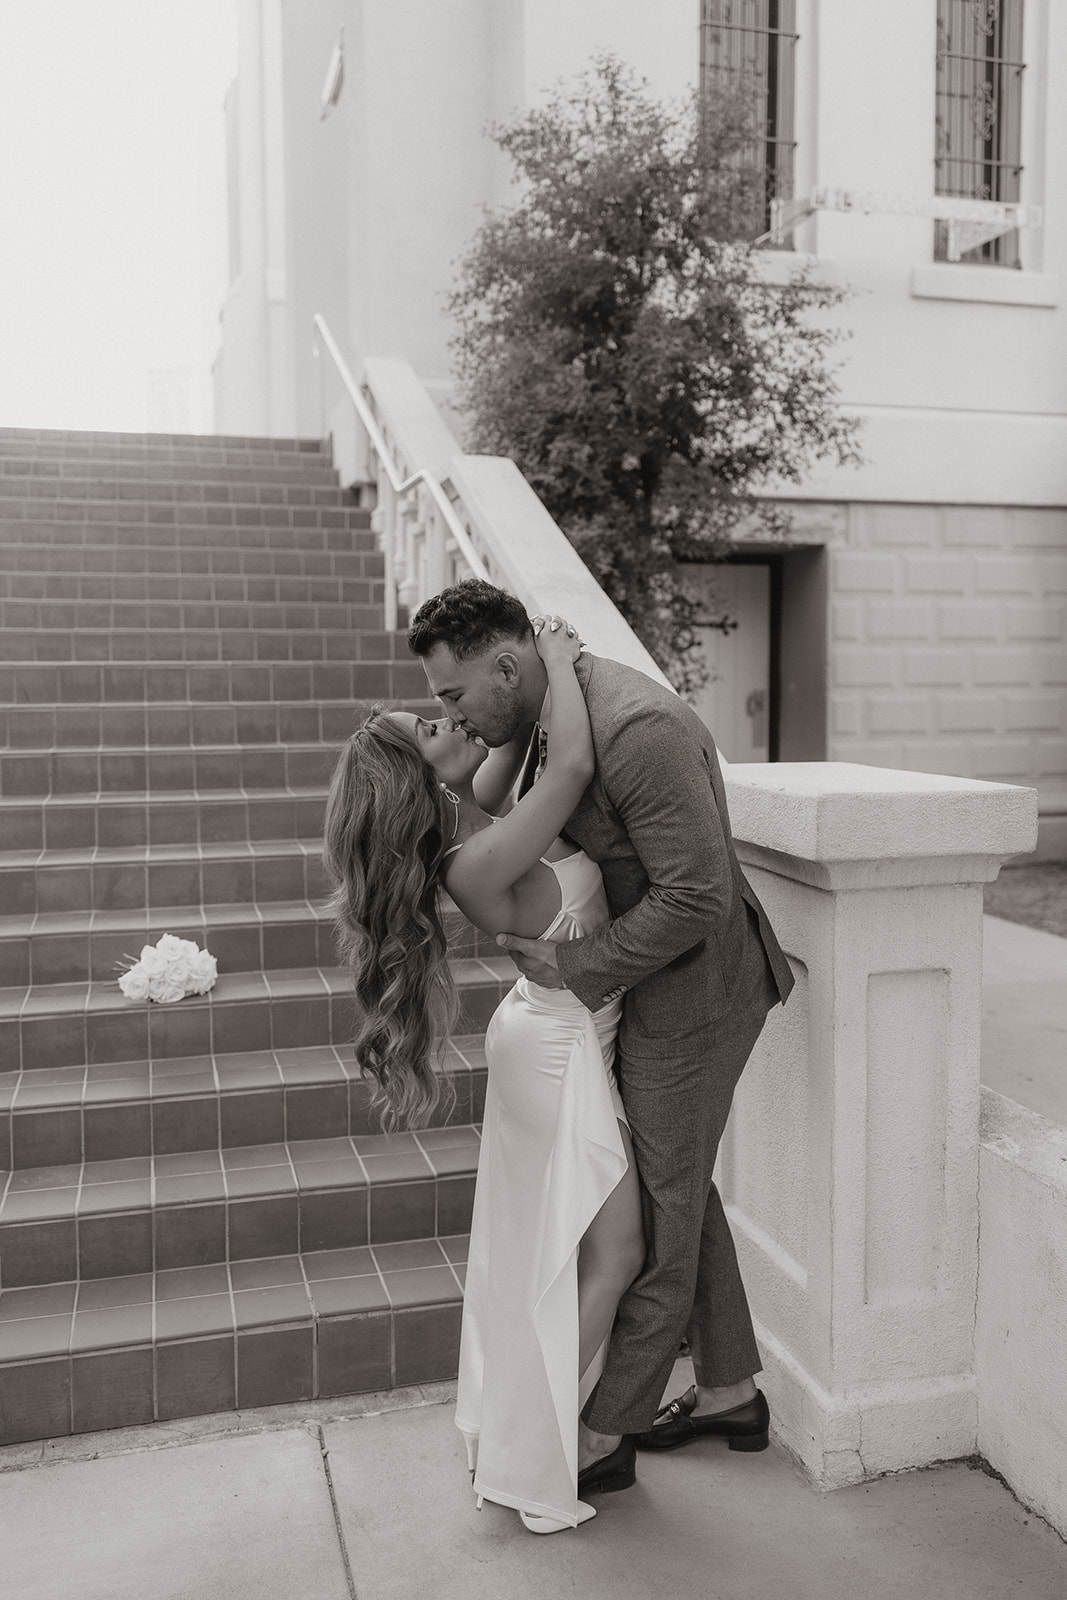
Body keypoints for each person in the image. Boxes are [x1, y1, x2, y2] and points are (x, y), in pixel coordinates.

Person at [407, 579, 795, 1497]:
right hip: (633, 994)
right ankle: (730, 1392)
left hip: (693, 1000)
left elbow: (697, 896)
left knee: (655, 1222)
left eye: (453, 695)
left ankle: (602, 1433)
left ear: (509, 666)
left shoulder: (633, 730)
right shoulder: (540, 715)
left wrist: (576, 971)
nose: (448, 714)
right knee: (673, 1188)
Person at [322, 612, 644, 1535]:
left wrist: (465, 755)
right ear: (414, 777)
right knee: (610, 1253)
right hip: (557, 1050)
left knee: (545, 1257)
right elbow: (572, 769)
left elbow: (504, 773)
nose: (449, 719)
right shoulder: (478, 861)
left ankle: (524, 1434)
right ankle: (529, 1447)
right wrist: (558, 659)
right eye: (429, 726)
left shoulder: (479, 830)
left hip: (548, 1033)